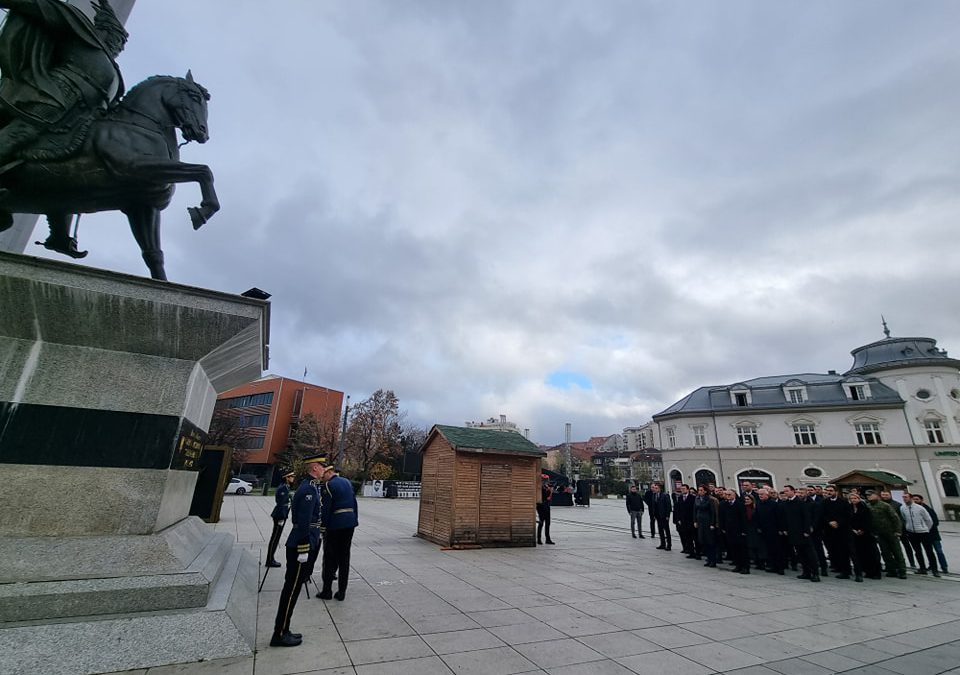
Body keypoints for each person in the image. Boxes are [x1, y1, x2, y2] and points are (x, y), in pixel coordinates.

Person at [0, 0, 127, 169]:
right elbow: (46, 10)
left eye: (121, 44)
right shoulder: (82, 33)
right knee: (22, 132)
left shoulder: (115, 75)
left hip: (83, 120)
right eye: (116, 38)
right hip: (57, 95)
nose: (118, 46)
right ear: (103, 31)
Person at [271, 455, 326, 647]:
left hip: (306, 539)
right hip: (301, 543)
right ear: (314, 468)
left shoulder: (310, 487)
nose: (323, 471)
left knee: (293, 588)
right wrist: (304, 547)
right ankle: (279, 633)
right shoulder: (308, 489)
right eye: (321, 467)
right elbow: (303, 520)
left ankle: (284, 628)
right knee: (292, 588)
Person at [316, 464, 359, 600]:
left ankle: (327, 590)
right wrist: (354, 519)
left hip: (335, 525)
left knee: (329, 557)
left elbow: (326, 508)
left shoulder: (329, 486)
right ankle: (342, 592)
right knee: (344, 558)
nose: (322, 479)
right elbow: (354, 502)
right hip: (349, 523)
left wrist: (323, 527)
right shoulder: (347, 482)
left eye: (323, 476)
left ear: (328, 472)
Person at [781, 485, 819, 582]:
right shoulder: (785, 504)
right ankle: (806, 572)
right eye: (784, 491)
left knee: (809, 553)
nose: (785, 493)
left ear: (793, 491)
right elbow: (784, 518)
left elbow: (806, 518)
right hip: (793, 532)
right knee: (800, 553)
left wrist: (807, 531)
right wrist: (785, 529)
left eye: (787, 491)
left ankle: (815, 573)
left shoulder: (801, 503)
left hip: (803, 532)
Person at [866, 489, 907, 579]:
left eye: (871, 495)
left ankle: (902, 570)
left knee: (897, 552)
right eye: (868, 496)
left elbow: (895, 518)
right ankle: (891, 570)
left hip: (891, 532)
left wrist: (898, 531)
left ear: (876, 496)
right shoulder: (868, 506)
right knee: (885, 552)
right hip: (879, 533)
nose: (869, 497)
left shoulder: (885, 505)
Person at [901, 493, 940, 577]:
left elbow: (929, 520)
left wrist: (925, 529)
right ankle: (922, 568)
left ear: (910, 498)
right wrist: (908, 528)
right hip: (911, 533)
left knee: (929, 551)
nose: (904, 499)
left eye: (906, 497)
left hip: (923, 532)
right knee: (917, 552)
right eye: (903, 497)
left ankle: (934, 570)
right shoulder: (903, 508)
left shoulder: (920, 508)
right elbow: (904, 519)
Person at [847, 491, 881, 582]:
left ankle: (875, 572)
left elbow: (868, 520)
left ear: (859, 499)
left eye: (855, 498)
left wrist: (862, 529)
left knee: (870, 553)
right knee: (859, 554)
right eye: (851, 499)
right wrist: (852, 529)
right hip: (854, 534)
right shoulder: (849, 508)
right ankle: (866, 570)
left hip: (866, 534)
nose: (853, 500)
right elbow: (847, 520)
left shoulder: (864, 508)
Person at [820, 485, 852, 579]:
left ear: (836, 492)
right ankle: (838, 566)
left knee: (843, 550)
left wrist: (838, 522)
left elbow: (847, 515)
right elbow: (823, 514)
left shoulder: (843, 502)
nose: (829, 492)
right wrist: (829, 522)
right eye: (827, 491)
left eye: (831, 491)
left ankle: (846, 570)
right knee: (833, 549)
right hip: (829, 529)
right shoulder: (824, 502)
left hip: (842, 529)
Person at [265, 471, 295, 568]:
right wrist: (282, 517)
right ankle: (269, 559)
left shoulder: (286, 487)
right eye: (291, 476)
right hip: (279, 515)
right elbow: (281, 503)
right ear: (287, 478)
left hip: (282, 514)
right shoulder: (283, 488)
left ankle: (271, 558)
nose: (293, 478)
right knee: (275, 538)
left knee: (276, 537)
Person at [913, 495, 949, 574]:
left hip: (933, 534)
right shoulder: (914, 509)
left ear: (921, 500)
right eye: (914, 499)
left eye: (917, 499)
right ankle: (931, 565)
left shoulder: (928, 509)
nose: (915, 501)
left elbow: (935, 522)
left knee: (938, 551)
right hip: (924, 534)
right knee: (929, 552)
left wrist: (926, 529)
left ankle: (944, 567)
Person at [881, 489, 915, 569]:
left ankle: (911, 562)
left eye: (886, 495)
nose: (885, 497)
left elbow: (901, 518)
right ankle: (892, 564)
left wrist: (900, 529)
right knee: (889, 548)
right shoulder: (880, 504)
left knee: (906, 545)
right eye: (883, 495)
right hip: (887, 530)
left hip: (899, 529)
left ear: (890, 495)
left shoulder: (897, 505)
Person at [693, 485, 719, 567]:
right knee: (703, 541)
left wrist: (712, 523)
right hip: (700, 522)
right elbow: (695, 510)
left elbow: (712, 512)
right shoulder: (697, 499)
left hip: (707, 522)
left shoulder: (710, 499)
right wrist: (695, 521)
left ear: (705, 491)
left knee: (710, 541)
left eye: (701, 490)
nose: (699, 491)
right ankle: (708, 558)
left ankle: (713, 560)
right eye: (699, 490)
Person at [674, 484, 696, 556]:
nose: (682, 490)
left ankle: (698, 552)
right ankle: (691, 552)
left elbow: (694, 510)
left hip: (691, 520)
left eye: (684, 489)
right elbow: (678, 509)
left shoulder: (693, 498)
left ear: (688, 489)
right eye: (681, 489)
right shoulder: (680, 498)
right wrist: (679, 519)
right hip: (683, 521)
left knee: (694, 537)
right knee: (687, 537)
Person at [651, 483, 672, 551]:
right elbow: (653, 506)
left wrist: (667, 515)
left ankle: (669, 544)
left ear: (660, 489)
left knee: (666, 530)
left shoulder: (665, 495)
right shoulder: (654, 495)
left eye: (656, 488)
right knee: (660, 530)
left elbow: (668, 506)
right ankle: (662, 544)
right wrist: (654, 515)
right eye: (654, 488)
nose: (655, 489)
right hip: (658, 515)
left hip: (664, 515)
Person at [537, 477, 556, 545]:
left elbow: (549, 498)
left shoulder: (545, 487)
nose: (546, 482)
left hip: (545, 505)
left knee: (547, 523)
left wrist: (549, 490)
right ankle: (539, 539)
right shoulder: (540, 488)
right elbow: (548, 498)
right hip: (541, 506)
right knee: (541, 522)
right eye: (545, 480)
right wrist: (550, 491)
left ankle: (547, 539)